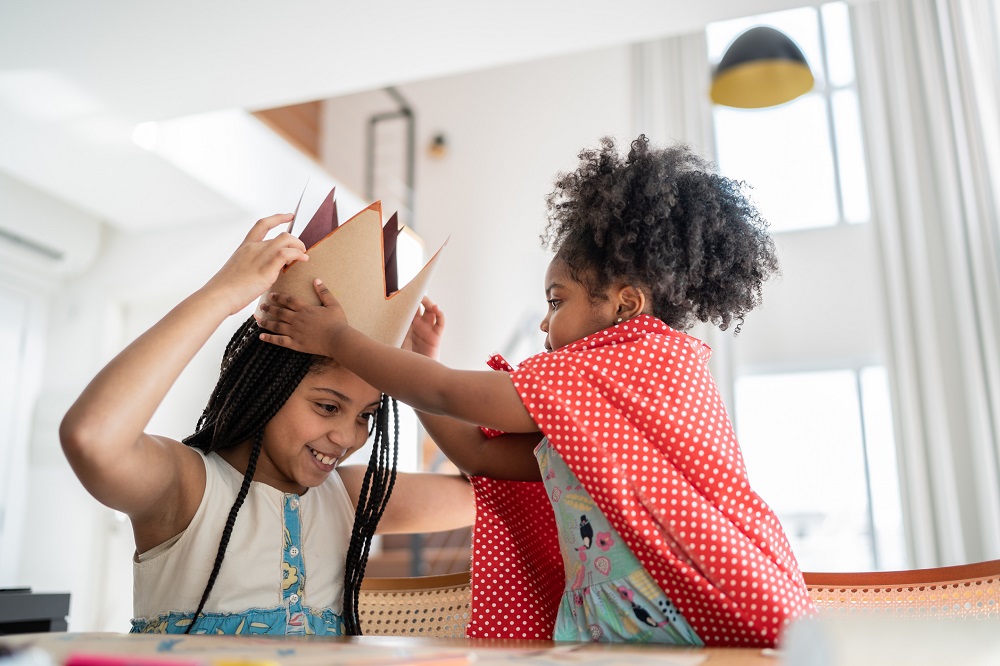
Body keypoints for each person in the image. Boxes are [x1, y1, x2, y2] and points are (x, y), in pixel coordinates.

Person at [258, 135, 816, 647]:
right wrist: (414, 360)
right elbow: (478, 452)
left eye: (556, 300)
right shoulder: (607, 408)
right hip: (631, 631)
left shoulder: (627, 362)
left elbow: (452, 393)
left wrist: (339, 337)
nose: (546, 327)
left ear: (624, 305)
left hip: (708, 607)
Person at [59, 213, 474, 636]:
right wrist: (221, 295)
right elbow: (93, 437)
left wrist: (419, 373)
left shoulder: (348, 497)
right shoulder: (187, 489)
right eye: (329, 407)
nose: (349, 437)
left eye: (366, 415)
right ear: (266, 388)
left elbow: (486, 493)